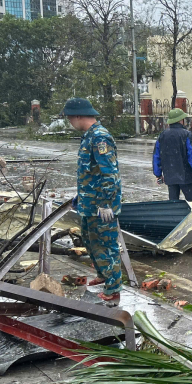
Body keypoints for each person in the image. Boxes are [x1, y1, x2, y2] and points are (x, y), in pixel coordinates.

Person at [64, 97, 123, 306]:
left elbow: (110, 174)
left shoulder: (100, 138)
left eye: (71, 118)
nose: (70, 122)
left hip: (101, 206)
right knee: (90, 241)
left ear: (79, 116)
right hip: (89, 202)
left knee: (106, 245)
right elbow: (90, 172)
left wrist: (106, 203)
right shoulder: (88, 136)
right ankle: (104, 274)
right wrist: (80, 196)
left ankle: (113, 288)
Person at [152, 108, 192, 204]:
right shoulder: (186, 134)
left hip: (170, 176)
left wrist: (158, 174)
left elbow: (157, 156)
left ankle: (175, 219)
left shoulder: (162, 135)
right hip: (186, 176)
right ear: (181, 120)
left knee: (173, 204)